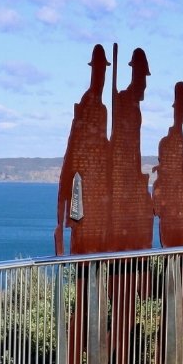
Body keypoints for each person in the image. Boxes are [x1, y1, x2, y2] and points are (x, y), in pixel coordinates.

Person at [55, 44, 111, 255]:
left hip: (97, 193)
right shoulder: (87, 104)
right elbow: (74, 152)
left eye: (104, 71)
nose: (102, 75)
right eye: (99, 70)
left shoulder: (103, 109)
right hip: (84, 193)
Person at [110, 47, 154, 251]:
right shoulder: (126, 99)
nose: (145, 83)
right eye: (143, 76)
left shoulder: (131, 101)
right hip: (123, 172)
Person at [154, 82, 183, 248]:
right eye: (181, 108)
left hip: (179, 196)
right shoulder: (168, 141)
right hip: (171, 199)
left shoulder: (179, 139)